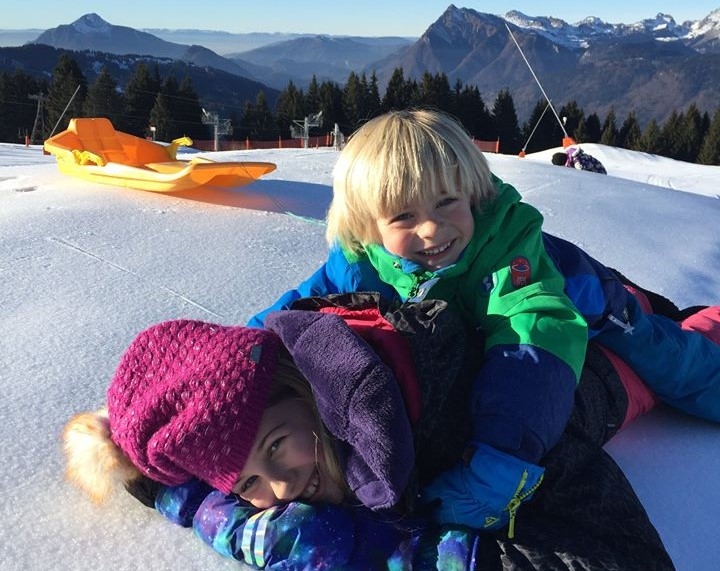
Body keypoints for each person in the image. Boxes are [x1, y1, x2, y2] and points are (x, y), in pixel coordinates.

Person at [246, 108, 720, 532]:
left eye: (447, 202)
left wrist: (500, 459)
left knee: (661, 351)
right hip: (490, 303)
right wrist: (236, 357)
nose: (431, 228)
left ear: (473, 194)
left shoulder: (506, 252)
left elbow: (530, 335)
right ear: (368, 226)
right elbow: (288, 315)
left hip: (580, 290)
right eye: (404, 216)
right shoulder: (356, 261)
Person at [63, 289, 719, 569]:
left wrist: (391, 554)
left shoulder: (474, 423)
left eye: (273, 446)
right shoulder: (297, 410)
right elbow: (185, 474)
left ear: (299, 381)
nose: (283, 487)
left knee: (684, 347)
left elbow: (619, 558)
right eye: (249, 482)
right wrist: (183, 497)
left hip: (590, 374)